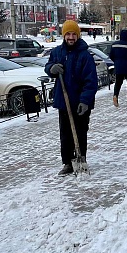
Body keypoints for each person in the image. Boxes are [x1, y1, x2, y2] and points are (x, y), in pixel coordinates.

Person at [45, 20, 98, 176]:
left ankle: (81, 159)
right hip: (64, 101)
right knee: (66, 133)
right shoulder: (57, 53)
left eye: (74, 34)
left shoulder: (85, 55)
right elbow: (48, 66)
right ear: (63, 35)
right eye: (68, 34)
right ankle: (68, 162)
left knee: (80, 132)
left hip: (80, 102)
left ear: (78, 35)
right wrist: (52, 69)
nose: (71, 37)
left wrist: (85, 101)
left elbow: (91, 81)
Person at [109, 28, 127, 107]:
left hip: (118, 67)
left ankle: (115, 95)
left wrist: (116, 62)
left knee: (118, 82)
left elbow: (111, 55)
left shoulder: (114, 45)